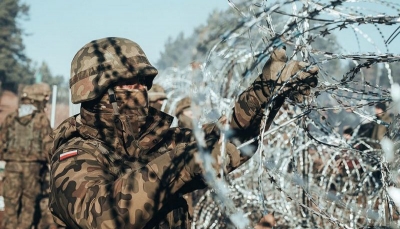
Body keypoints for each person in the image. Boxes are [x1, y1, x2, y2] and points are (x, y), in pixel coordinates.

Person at [47, 37, 318, 228]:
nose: (141, 90)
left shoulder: (157, 142)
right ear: (97, 91)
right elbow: (104, 218)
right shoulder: (75, 154)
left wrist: (265, 94)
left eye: (144, 82)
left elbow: (229, 141)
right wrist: (181, 164)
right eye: (130, 84)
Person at [0, 84, 52, 229]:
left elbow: (1, 141)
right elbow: (49, 147)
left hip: (12, 167)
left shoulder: (11, 118)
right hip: (33, 169)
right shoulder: (41, 119)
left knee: (10, 205)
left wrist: (9, 157)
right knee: (28, 206)